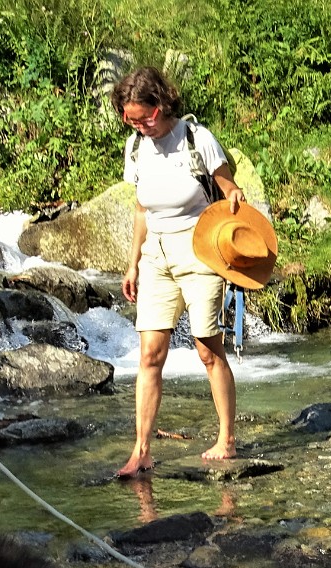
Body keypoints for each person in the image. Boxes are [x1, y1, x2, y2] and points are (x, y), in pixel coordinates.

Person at [111, 67, 246, 475]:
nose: (138, 125)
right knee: (150, 353)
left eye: (144, 117)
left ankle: (226, 439)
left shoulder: (196, 139)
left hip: (200, 252)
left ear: (162, 105)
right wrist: (132, 262)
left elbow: (229, 189)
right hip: (156, 256)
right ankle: (141, 451)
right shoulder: (135, 148)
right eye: (130, 119)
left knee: (207, 348)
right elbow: (140, 209)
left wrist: (238, 209)